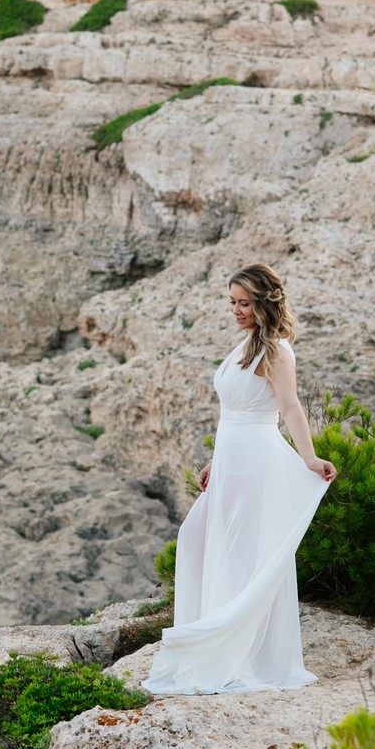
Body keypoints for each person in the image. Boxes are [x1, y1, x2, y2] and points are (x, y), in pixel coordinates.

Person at [143, 263, 337, 696]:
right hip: (232, 459)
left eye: (244, 303)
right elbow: (231, 413)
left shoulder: (277, 352)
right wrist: (216, 460)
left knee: (240, 553)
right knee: (198, 539)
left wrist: (309, 457)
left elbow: (290, 408)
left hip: (256, 462)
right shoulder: (246, 344)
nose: (236, 310)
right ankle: (213, 639)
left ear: (264, 302)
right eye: (232, 302)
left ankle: (236, 653)